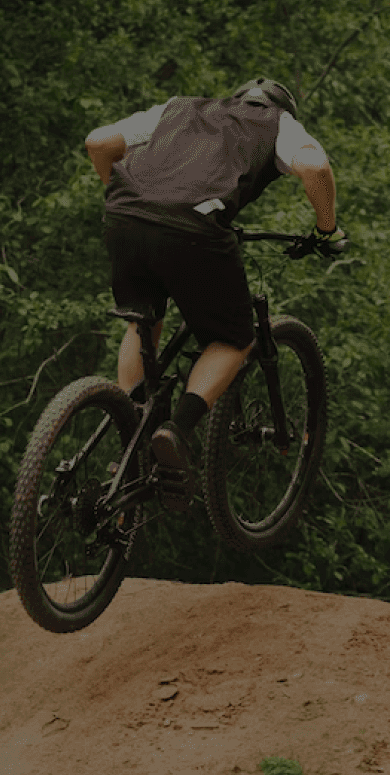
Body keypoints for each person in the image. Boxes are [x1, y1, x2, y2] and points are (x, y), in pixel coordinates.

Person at [83, 76, 342, 483]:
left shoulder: (179, 108)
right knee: (233, 340)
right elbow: (315, 167)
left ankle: (130, 432)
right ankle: (176, 429)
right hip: (194, 228)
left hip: (124, 215)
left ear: (235, 96)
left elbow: (98, 142)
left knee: (143, 319)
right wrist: (326, 230)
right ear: (280, 107)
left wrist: (134, 203)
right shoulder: (277, 123)